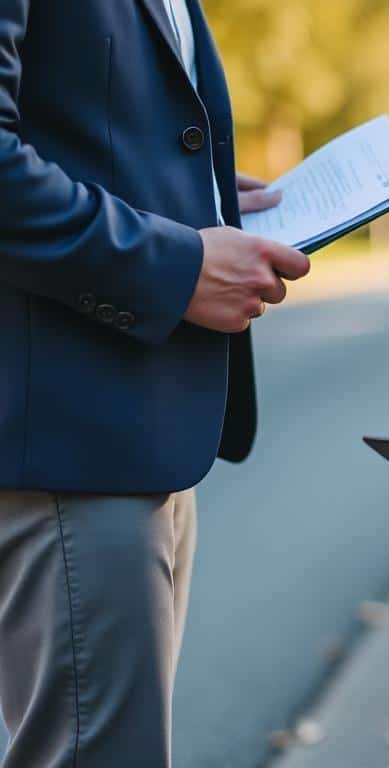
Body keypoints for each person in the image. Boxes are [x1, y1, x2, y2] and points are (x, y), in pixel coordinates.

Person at [0, 0, 309, 764]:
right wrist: (177, 264)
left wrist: (189, 195)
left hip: (142, 430)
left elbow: (78, 122)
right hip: (65, 438)